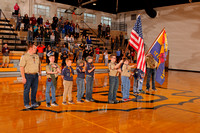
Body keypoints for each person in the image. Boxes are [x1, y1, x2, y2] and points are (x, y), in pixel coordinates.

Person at [19, 43, 41, 109]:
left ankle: (33, 102)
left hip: (35, 75)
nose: (36, 49)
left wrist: (39, 74)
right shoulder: (24, 56)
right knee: (27, 90)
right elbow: (21, 67)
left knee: (34, 90)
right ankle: (26, 103)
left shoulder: (37, 56)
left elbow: (39, 66)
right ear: (30, 48)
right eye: (34, 48)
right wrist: (23, 77)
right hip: (28, 75)